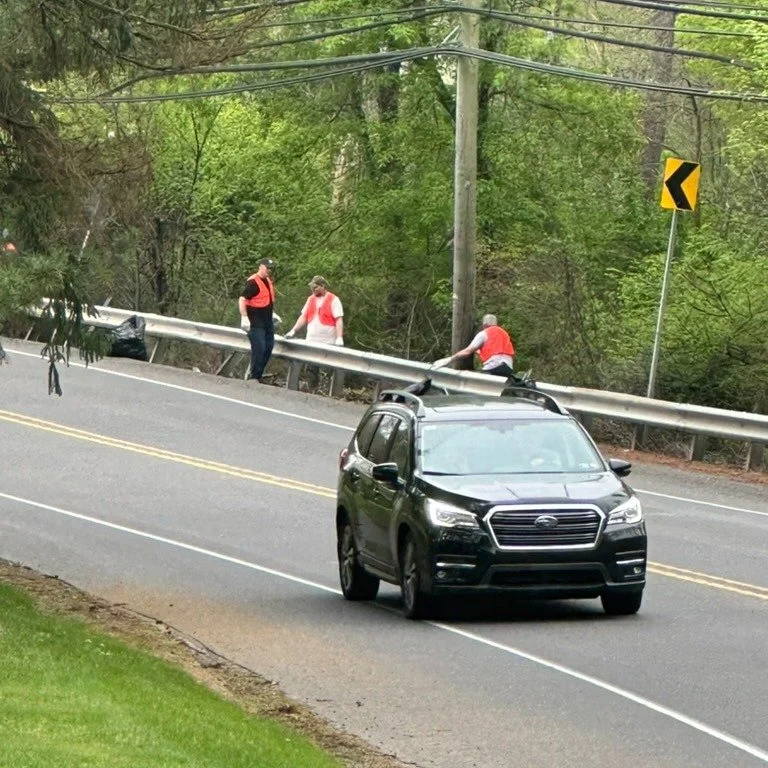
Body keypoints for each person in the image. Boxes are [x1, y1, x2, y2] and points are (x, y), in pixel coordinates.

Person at [238, 258, 281, 381]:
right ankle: (254, 377)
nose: (269, 270)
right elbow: (242, 299)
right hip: (256, 324)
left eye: (271, 268)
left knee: (268, 348)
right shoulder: (253, 282)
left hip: (267, 323)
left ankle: (258, 375)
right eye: (267, 268)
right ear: (261, 267)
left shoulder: (267, 281)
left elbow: (265, 300)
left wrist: (273, 313)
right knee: (259, 349)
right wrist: (244, 317)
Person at [437, 314, 515, 377]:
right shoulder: (504, 334)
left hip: (494, 366)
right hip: (508, 366)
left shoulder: (484, 333)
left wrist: (450, 359)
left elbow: (467, 351)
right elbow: (496, 349)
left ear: (484, 324)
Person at [284, 275, 344, 346]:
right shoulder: (310, 299)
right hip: (311, 339)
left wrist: (339, 337)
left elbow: (338, 319)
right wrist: (293, 330)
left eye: (315, 287)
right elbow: (304, 317)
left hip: (329, 341)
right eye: (311, 287)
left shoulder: (334, 299)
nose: (313, 290)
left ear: (322, 286)